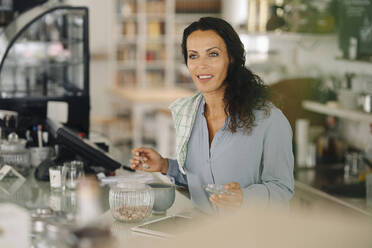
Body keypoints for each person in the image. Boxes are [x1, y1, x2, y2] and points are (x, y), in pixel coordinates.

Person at [130, 17, 294, 213]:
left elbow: (282, 189)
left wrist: (244, 197)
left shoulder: (269, 120)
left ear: (231, 58)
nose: (201, 65)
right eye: (193, 56)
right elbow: (203, 180)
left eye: (213, 54)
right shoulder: (188, 115)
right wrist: (164, 165)